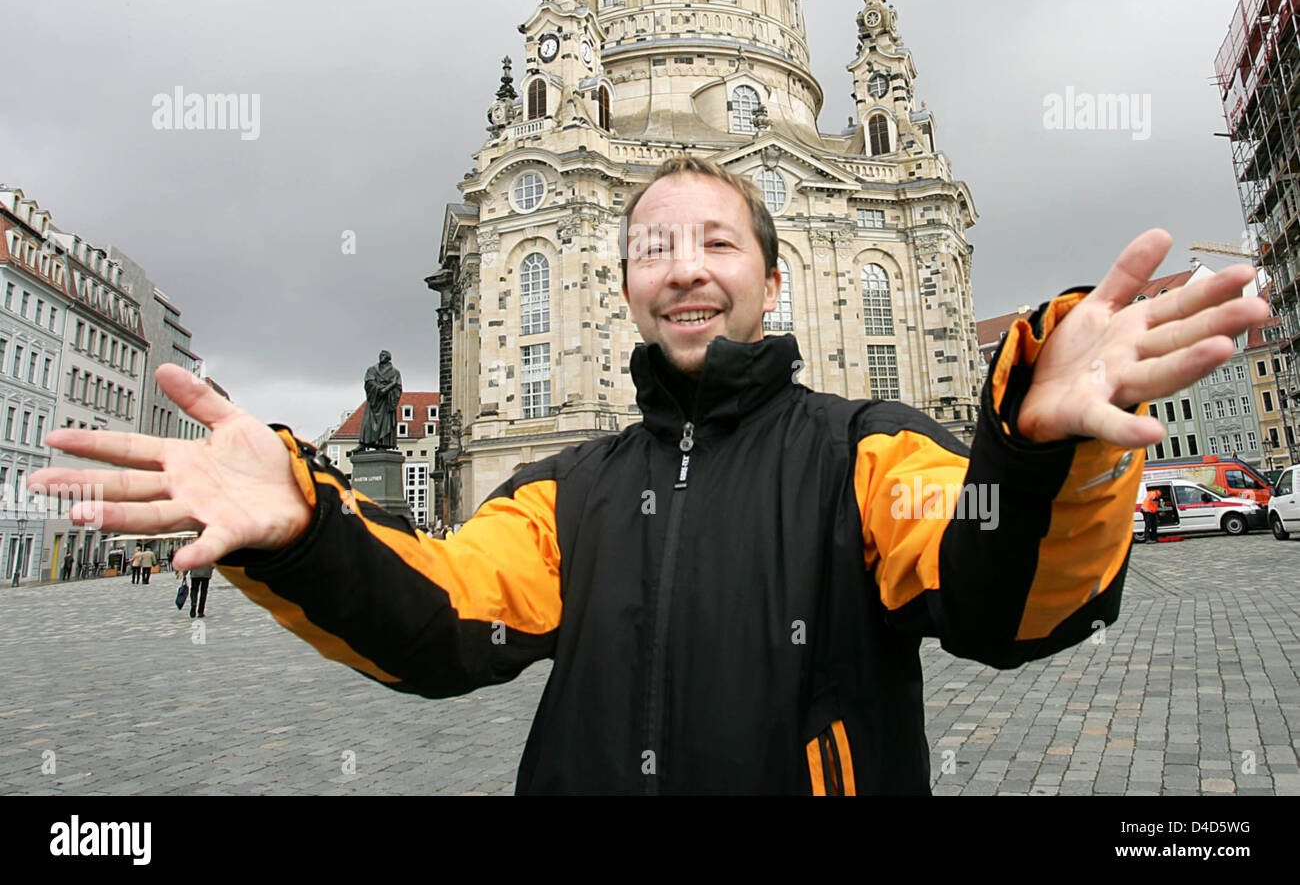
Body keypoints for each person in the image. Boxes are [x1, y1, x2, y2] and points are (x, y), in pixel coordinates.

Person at [35, 156, 1269, 794]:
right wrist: (301, 527)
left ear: (770, 279)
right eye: (654, 250)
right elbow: (439, 623)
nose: (686, 270)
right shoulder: (566, 489)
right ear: (620, 285)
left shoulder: (865, 449)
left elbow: (1005, 605)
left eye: (718, 242)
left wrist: (1041, 452)